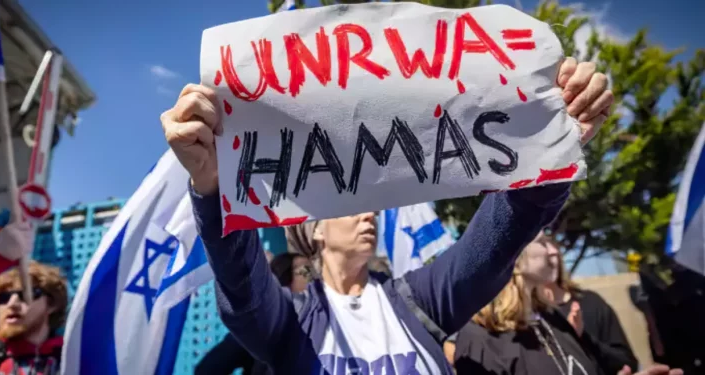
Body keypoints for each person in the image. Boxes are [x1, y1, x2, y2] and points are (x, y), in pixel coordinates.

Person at [160, 57, 613, 374]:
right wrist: (214, 185)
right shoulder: (289, 323)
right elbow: (241, 286)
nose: (369, 214)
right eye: (350, 208)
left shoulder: (421, 300)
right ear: (314, 231)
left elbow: (496, 243)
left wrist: (550, 148)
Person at [455, 232, 682, 375]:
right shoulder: (478, 339)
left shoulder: (554, 321)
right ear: (513, 256)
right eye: (543, 242)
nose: (554, 251)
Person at [0, 222, 68, 375]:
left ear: (52, 304)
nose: (12, 304)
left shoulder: (76, 355)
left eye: (26, 294)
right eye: (4, 298)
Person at [195, 252, 311, 375]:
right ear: (285, 279)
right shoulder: (259, 328)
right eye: (306, 271)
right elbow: (208, 369)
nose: (315, 277)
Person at [541, 234, 639, 374]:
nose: (553, 251)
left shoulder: (591, 301)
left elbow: (627, 363)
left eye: (551, 243)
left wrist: (584, 337)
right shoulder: (527, 317)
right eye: (541, 245)